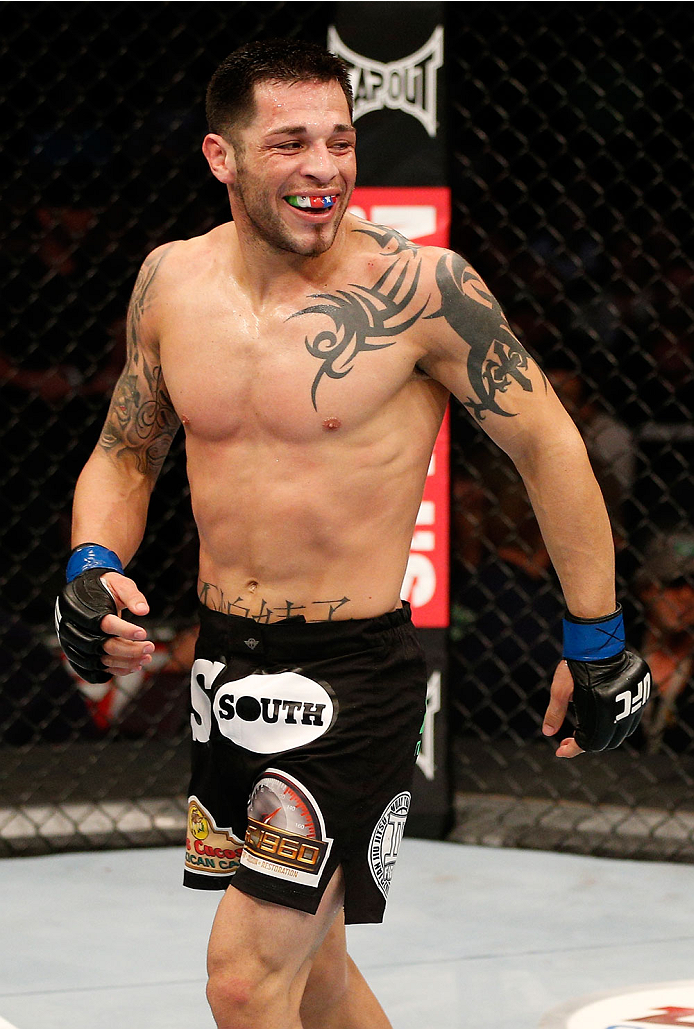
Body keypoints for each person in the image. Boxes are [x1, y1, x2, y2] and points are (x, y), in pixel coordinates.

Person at [55, 39, 651, 1029]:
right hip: (224, 665)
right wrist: (90, 563)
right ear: (222, 157)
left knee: (247, 979)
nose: (324, 167)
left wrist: (593, 639)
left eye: (339, 140)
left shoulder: (420, 291)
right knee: (315, 973)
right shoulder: (170, 283)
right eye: (289, 143)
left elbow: (548, 446)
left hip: (352, 678)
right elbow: (127, 451)